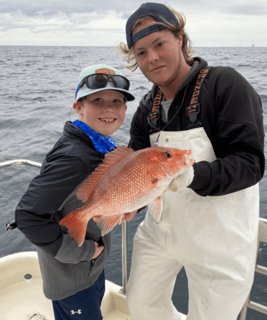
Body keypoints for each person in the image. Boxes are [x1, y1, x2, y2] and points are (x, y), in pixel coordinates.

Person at [118, 3, 265, 320]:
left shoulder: (225, 85)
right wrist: (128, 199)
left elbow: (250, 162)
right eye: (141, 52)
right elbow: (135, 165)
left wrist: (194, 176)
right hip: (161, 231)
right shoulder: (147, 107)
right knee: (141, 304)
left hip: (219, 242)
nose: (152, 58)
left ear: (180, 38)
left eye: (159, 44)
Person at [15, 64, 135, 320]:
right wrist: (84, 253)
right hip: (74, 276)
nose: (109, 108)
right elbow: (28, 216)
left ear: (125, 109)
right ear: (78, 107)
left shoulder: (94, 146)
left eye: (117, 100)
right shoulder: (75, 157)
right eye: (98, 100)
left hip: (88, 266)